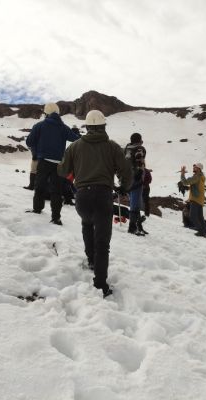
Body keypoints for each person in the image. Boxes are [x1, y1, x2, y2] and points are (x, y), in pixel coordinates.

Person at [57, 110, 131, 297]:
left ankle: (91, 260)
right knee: (102, 242)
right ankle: (100, 284)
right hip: (104, 196)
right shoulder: (112, 147)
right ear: (104, 126)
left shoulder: (75, 146)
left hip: (82, 196)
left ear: (87, 127)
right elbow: (126, 172)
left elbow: (63, 170)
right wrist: (123, 188)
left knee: (87, 224)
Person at [26, 102, 81, 225]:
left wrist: (36, 150)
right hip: (59, 164)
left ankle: (37, 209)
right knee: (56, 191)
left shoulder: (39, 125)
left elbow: (29, 142)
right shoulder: (63, 127)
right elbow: (76, 139)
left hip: (44, 161)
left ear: (46, 113)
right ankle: (56, 218)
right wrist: (77, 133)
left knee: (40, 186)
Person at [180, 163, 206, 238]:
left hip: (195, 199)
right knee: (200, 217)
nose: (193, 168)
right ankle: (204, 232)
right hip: (200, 199)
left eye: (195, 167)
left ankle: (201, 231)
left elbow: (185, 182)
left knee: (192, 216)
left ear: (198, 169)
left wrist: (182, 174)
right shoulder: (201, 176)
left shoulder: (197, 177)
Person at [126, 151, 147, 236]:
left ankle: (137, 227)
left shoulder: (139, 166)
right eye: (138, 157)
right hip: (134, 189)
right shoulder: (135, 166)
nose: (140, 158)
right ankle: (132, 228)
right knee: (134, 207)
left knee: (136, 207)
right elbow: (136, 178)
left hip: (137, 188)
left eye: (141, 157)